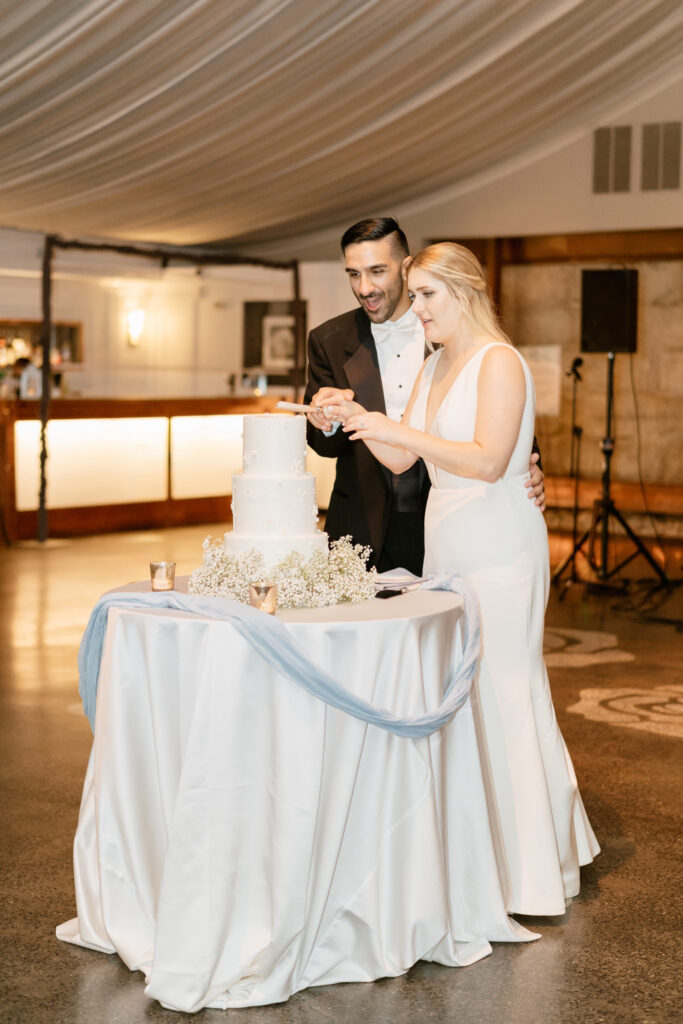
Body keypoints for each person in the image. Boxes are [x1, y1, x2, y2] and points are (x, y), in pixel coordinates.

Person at [324, 242, 600, 917]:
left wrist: (401, 431)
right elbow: (399, 458)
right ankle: (486, 856)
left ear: (463, 292)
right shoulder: (434, 362)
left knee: (505, 687)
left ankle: (533, 866)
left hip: (500, 543)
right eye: (413, 296)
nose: (413, 310)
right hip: (448, 543)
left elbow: (484, 461)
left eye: (425, 296)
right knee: (466, 694)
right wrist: (357, 420)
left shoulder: (498, 362)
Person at [304, 217, 544, 575]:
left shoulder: (485, 352)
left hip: (481, 529)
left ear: (404, 267)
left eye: (377, 271)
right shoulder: (331, 340)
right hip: (387, 527)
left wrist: (530, 462)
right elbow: (396, 455)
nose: (364, 286)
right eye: (353, 274)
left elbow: (499, 439)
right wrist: (342, 413)